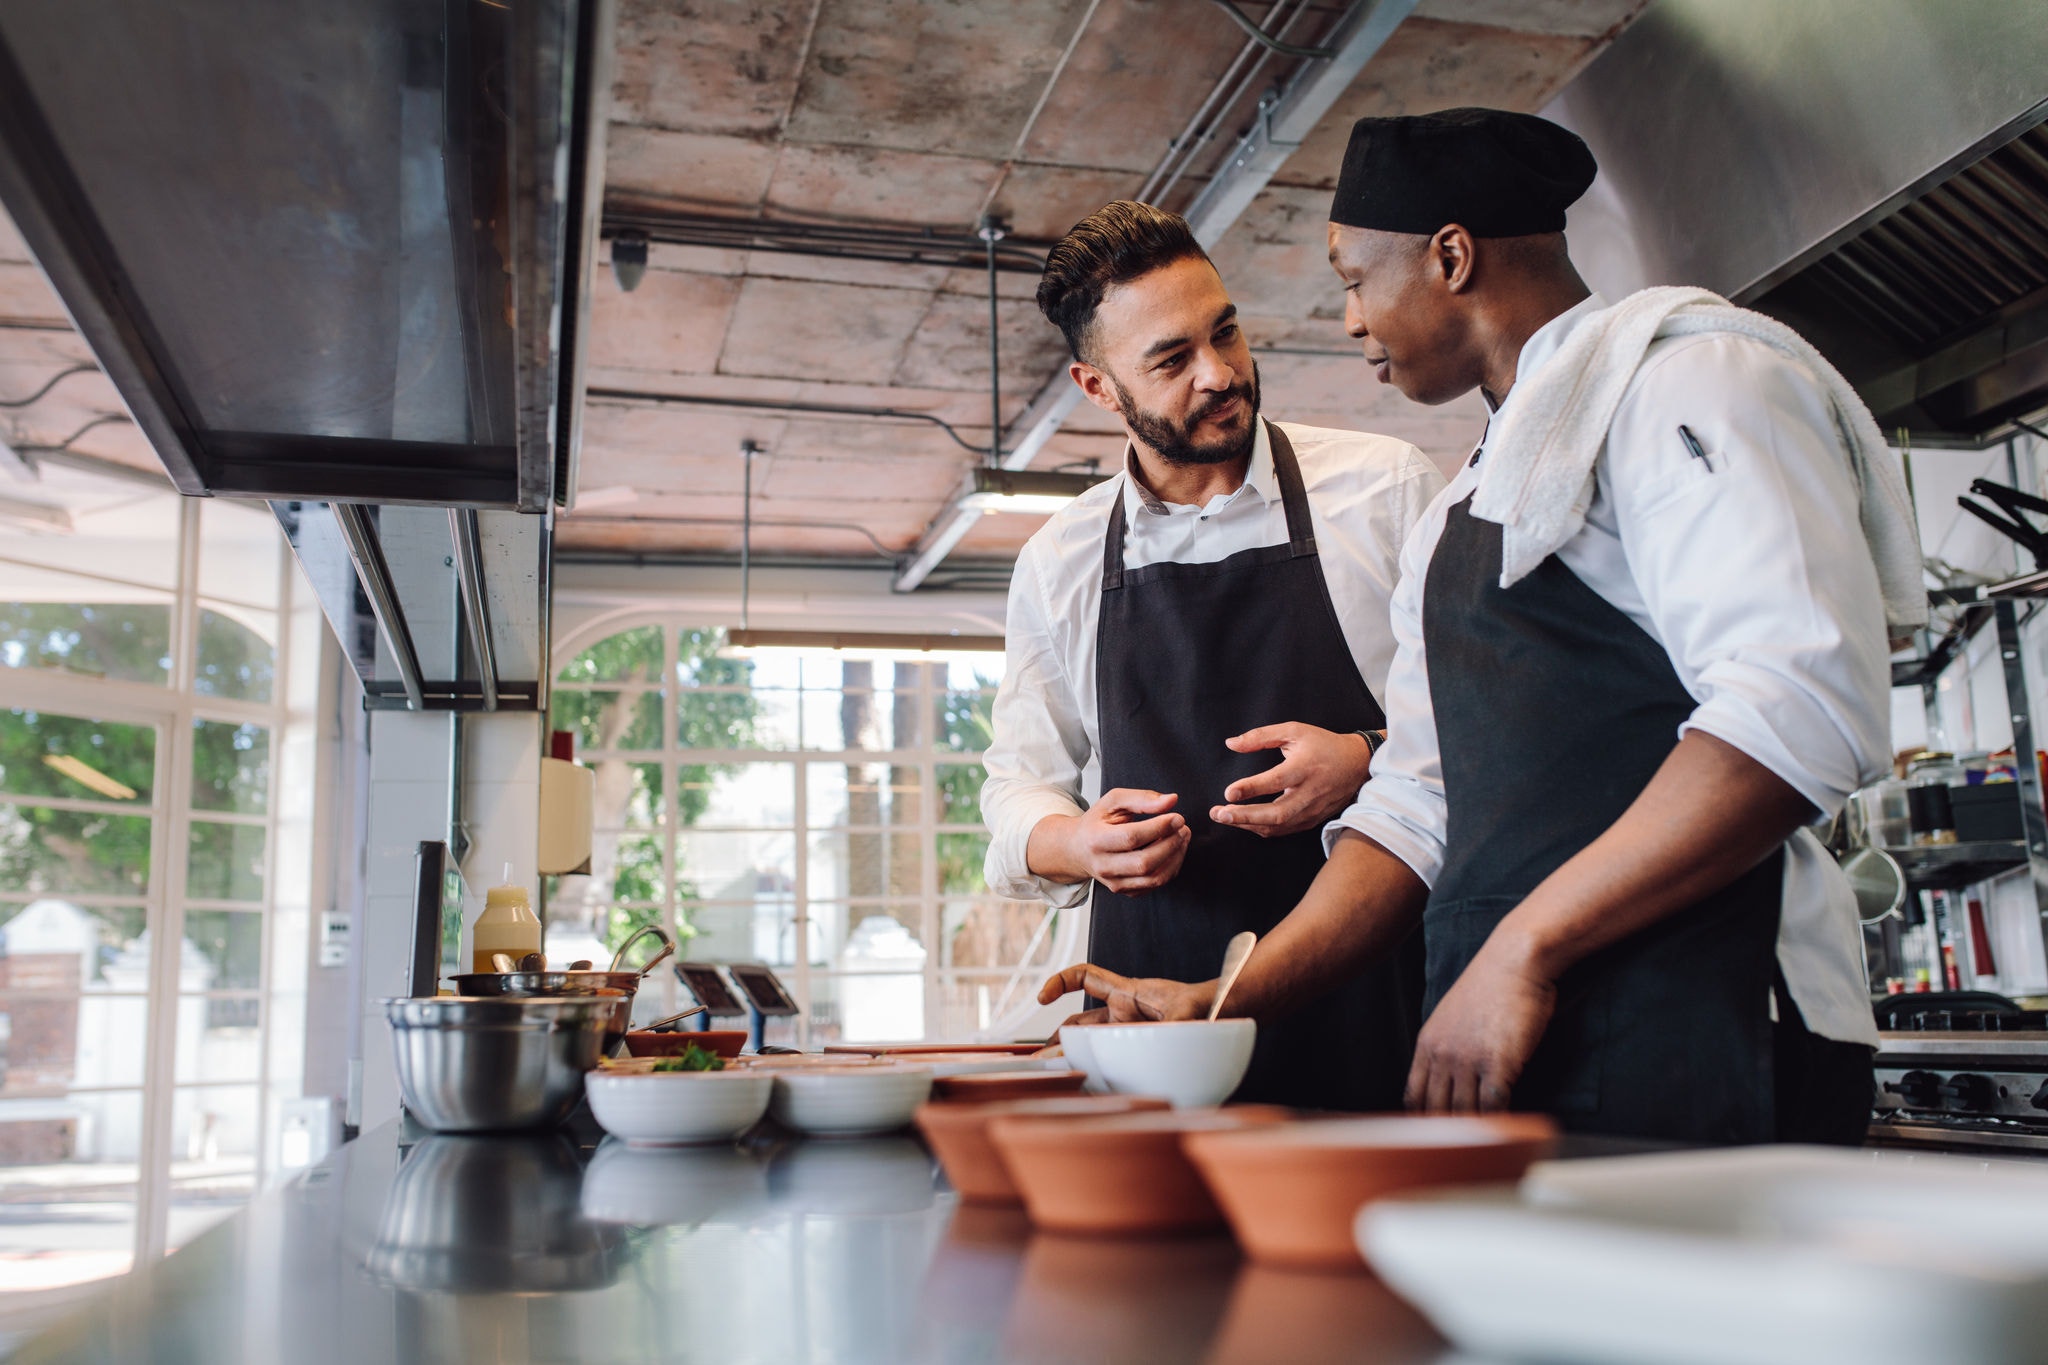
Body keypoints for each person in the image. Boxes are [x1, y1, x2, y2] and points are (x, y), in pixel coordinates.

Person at [1039, 111, 1925, 1144]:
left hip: (1710, 1016)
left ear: (1449, 257)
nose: (1349, 321)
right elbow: (1414, 808)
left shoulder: (1690, 381)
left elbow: (1801, 707)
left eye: (1354, 280)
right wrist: (1223, 1003)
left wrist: (1522, 949)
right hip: (1518, 1038)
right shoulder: (1465, 503)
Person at [981, 200, 1446, 1110]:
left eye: (1225, 332)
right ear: (1098, 387)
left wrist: (1364, 757)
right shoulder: (1061, 560)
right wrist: (1076, 839)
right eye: (1171, 359)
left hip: (1377, 1005)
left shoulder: (1383, 490)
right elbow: (1015, 783)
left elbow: (1479, 730)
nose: (1220, 374)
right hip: (1155, 1033)